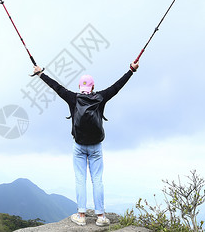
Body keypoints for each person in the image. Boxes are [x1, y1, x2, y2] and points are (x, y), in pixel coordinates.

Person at [33, 60, 139, 227]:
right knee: (97, 180)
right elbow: (117, 86)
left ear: (80, 86)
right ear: (93, 86)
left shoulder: (73, 98)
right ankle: (101, 216)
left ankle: (81, 215)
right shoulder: (101, 97)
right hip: (96, 146)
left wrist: (40, 74)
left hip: (79, 145)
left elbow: (56, 87)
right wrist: (131, 71)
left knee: (80, 179)